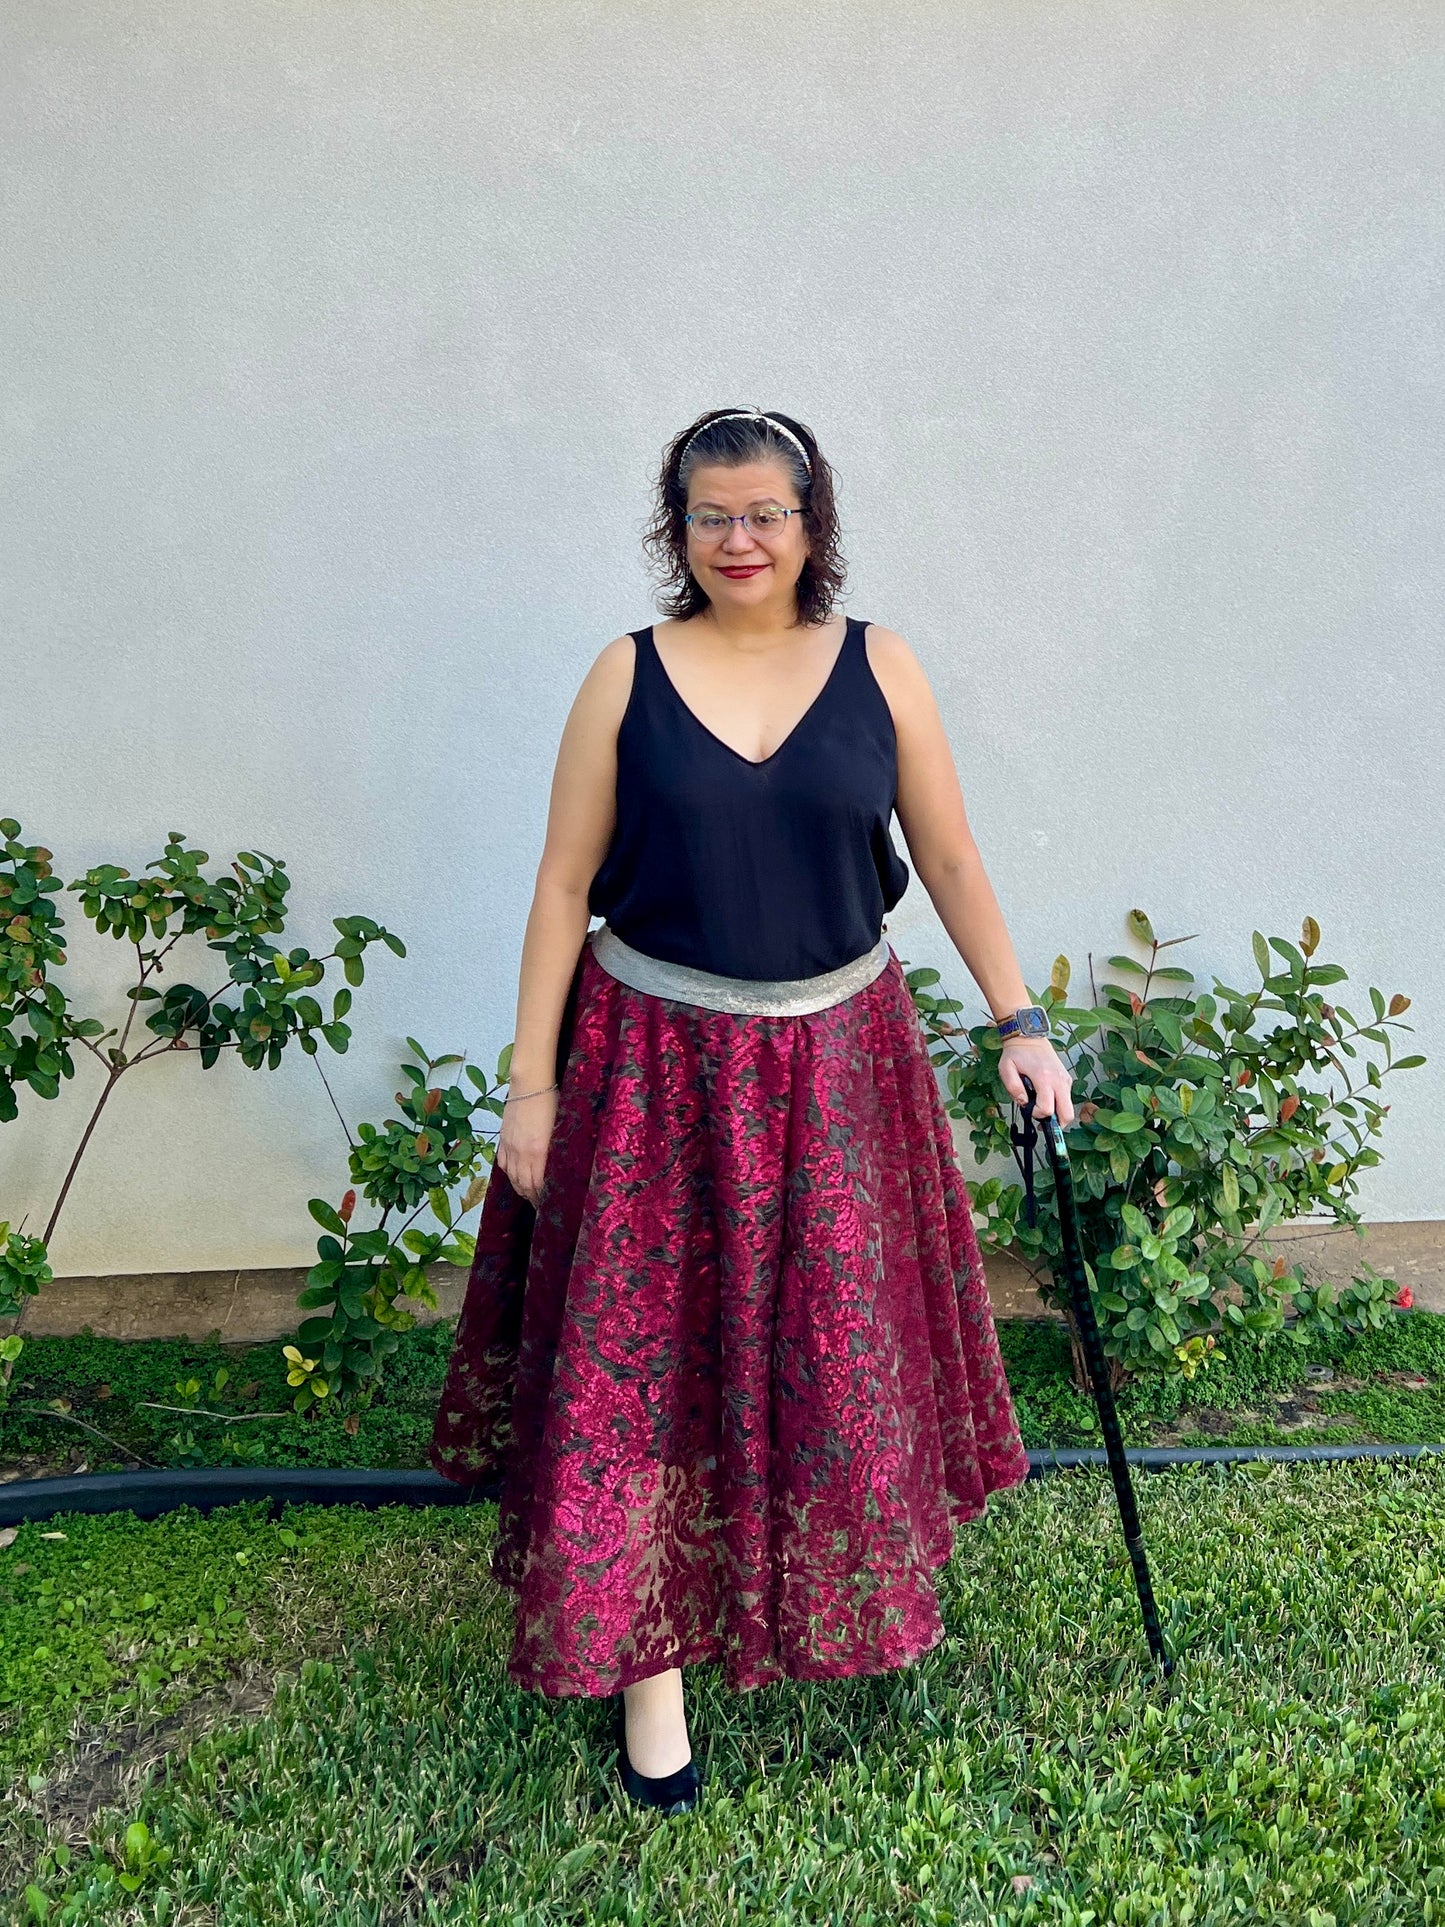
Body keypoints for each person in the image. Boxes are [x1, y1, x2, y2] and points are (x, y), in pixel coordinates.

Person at [429, 406, 1074, 1817]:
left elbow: (949, 856)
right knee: (638, 1369)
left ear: (810, 522)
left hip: (840, 1060)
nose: (739, 541)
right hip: (647, 1065)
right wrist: (526, 1089)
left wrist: (1018, 1019)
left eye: (765, 514)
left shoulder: (878, 667)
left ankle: (840, 1595)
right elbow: (558, 885)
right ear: (676, 530)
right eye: (710, 516)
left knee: (834, 1353)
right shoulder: (625, 675)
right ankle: (646, 1680)